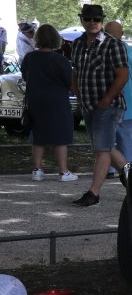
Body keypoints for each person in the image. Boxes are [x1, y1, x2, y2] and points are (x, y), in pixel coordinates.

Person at [67, 3, 129, 206]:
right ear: (81, 20)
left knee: (102, 149)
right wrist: (77, 92)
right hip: (88, 104)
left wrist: (107, 98)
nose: (92, 23)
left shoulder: (113, 44)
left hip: (108, 105)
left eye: (96, 19)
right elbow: (76, 71)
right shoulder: (77, 44)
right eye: (88, 19)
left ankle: (94, 193)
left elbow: (123, 75)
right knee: (106, 147)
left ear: (102, 21)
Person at [21, 25, 76, 181]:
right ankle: (63, 171)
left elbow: (25, 76)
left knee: (37, 134)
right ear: (55, 39)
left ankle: (37, 170)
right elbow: (69, 82)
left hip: (35, 100)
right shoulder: (61, 60)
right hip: (57, 101)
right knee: (60, 135)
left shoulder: (29, 58)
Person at [104, 21, 132, 161]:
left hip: (106, 103)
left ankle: (108, 169)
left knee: (106, 143)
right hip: (129, 104)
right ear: (122, 34)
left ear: (105, 34)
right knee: (127, 142)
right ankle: (127, 168)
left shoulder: (101, 52)